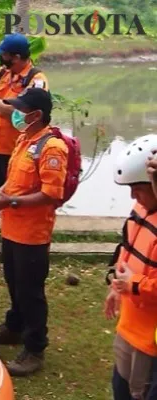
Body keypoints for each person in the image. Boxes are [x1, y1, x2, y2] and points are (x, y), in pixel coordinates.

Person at [0, 88, 66, 376]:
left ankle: (35, 348)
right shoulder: (24, 139)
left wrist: (10, 201)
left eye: (20, 109)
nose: (15, 113)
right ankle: (13, 327)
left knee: (31, 292)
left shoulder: (52, 148)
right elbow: (13, 181)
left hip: (33, 234)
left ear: (36, 114)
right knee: (14, 283)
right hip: (11, 229)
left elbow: (50, 194)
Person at [0, 33, 50, 250]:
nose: (0, 59)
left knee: (17, 191)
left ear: (15, 56)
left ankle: (13, 235)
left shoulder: (36, 80)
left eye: (3, 55)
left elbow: (21, 114)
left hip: (19, 148)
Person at [105, 134, 157, 400]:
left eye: (138, 188)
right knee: (121, 389)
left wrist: (133, 284)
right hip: (128, 326)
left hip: (150, 341)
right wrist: (118, 286)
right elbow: (128, 250)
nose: (133, 195)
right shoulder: (141, 208)